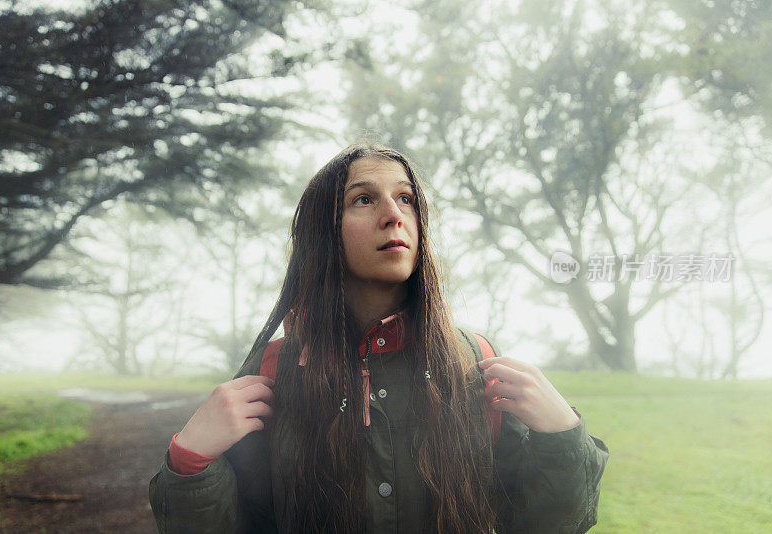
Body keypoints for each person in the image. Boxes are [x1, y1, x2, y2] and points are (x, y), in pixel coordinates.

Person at [148, 142, 610, 533]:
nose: (394, 215)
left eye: (407, 199)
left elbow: (543, 522)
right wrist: (189, 461)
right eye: (363, 199)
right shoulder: (274, 372)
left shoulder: (476, 362)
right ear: (323, 232)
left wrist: (563, 438)